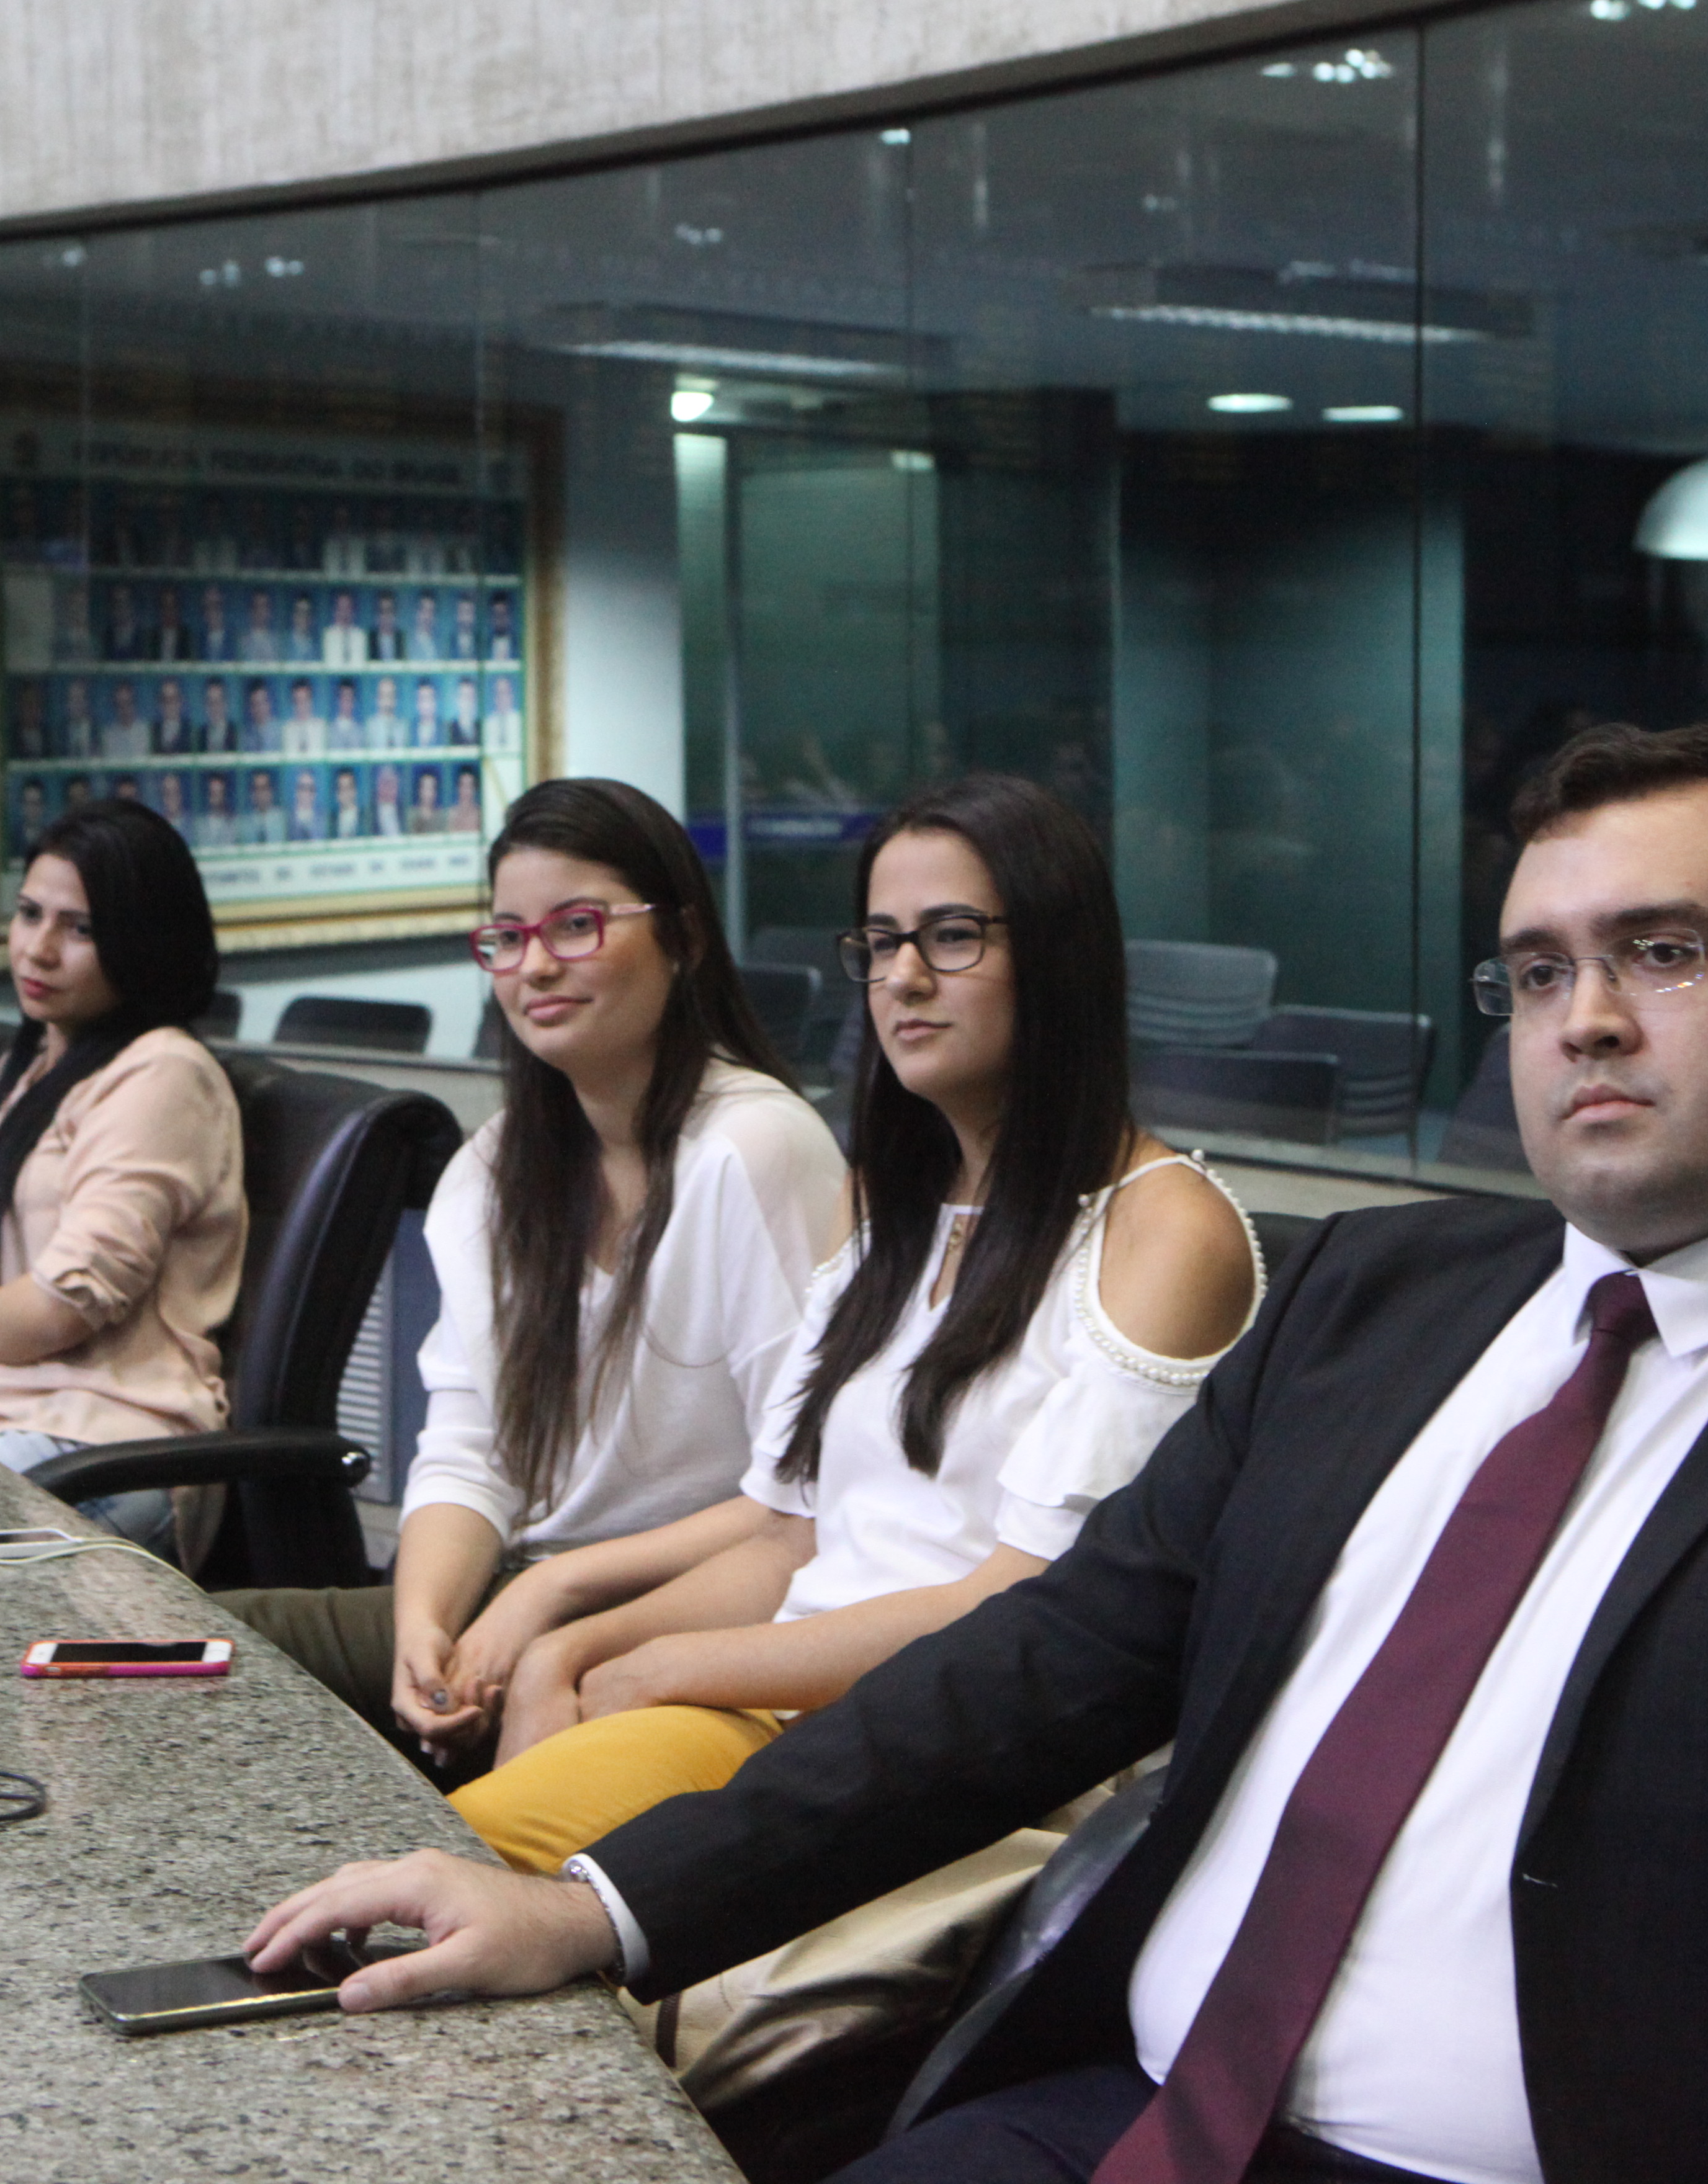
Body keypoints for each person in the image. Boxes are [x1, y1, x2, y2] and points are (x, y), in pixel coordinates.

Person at [251, 723, 1708, 2184]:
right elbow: (1045, 1666)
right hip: (1118, 2110)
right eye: (1537, 969)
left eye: (1661, 954)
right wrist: (600, 1907)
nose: (1582, 1021)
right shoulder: (1380, 1300)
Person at [429, 772, 1259, 1877]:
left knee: (453, 1876)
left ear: (1058, 957)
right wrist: (570, 1647)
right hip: (790, 1711)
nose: (903, 977)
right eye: (880, 943)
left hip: (952, 1759)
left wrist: (665, 1666)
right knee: (432, 1870)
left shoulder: (1168, 1228)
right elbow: (791, 1537)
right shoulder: (887, 1207)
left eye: (952, 936)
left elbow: (1023, 1601)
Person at [224, 777, 847, 1760]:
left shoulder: (753, 1148)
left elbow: (811, 1495)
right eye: (508, 938)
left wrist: (552, 1591)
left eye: (577, 926)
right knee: (167, 1650)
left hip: (690, 1607)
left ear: (684, 938)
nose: (537, 965)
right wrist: (423, 1624)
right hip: (523, 1586)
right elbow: (471, 1449)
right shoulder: (494, 1169)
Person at [0, 799, 243, 1559]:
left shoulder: (164, 1072)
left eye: (81, 929)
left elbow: (62, 1307)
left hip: (113, 1442)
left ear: (144, 941)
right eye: (30, 914)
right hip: (13, 1414)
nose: (39, 950)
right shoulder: (34, 1065)